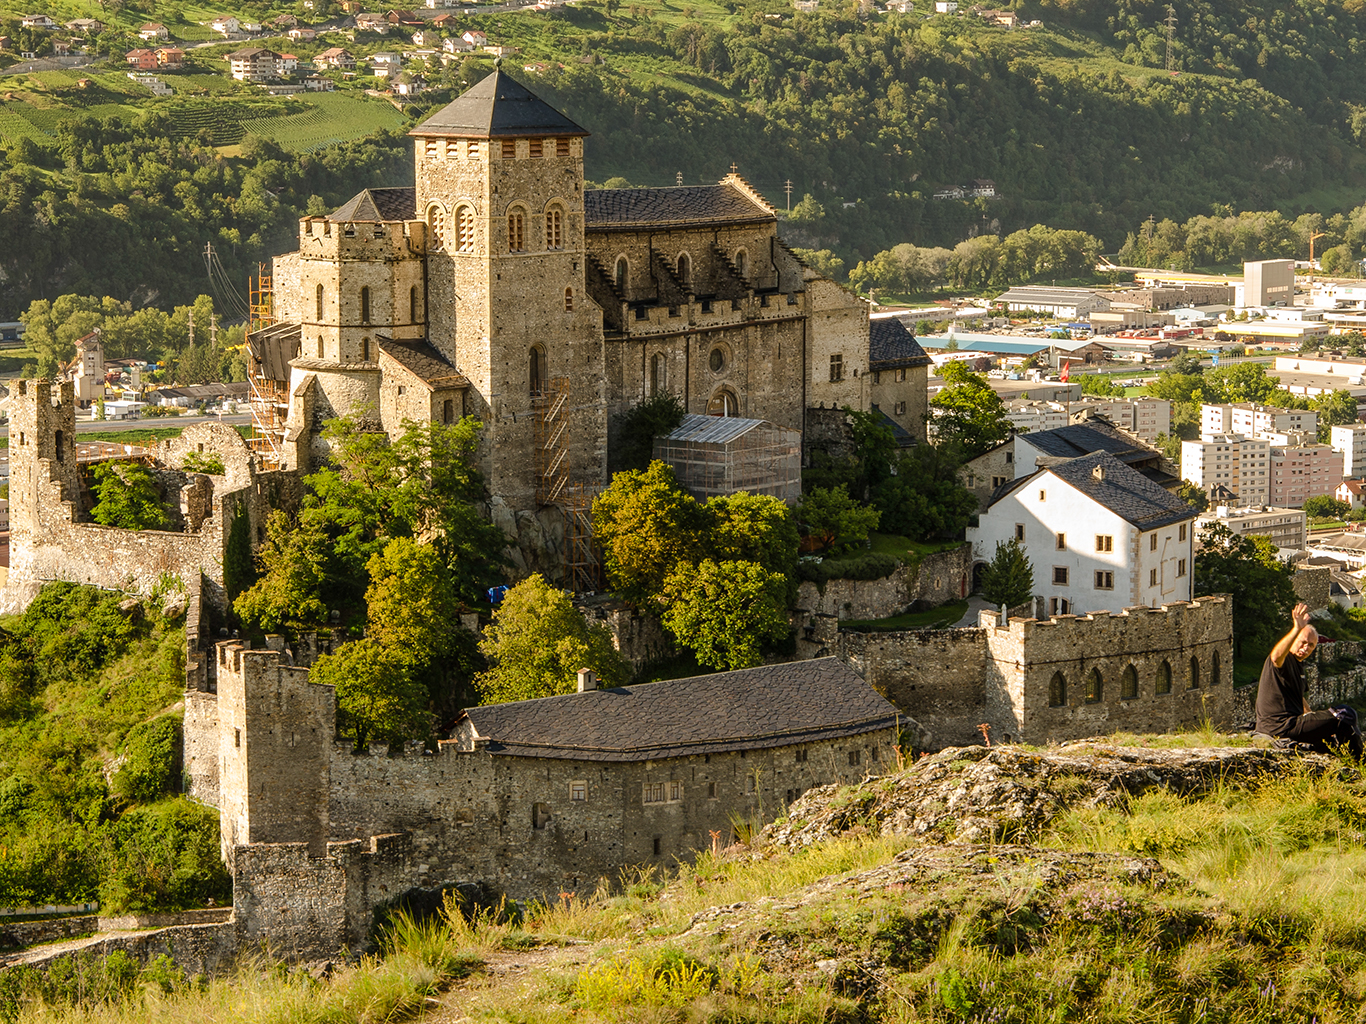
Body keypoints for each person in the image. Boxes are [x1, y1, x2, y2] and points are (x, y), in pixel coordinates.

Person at [1255, 602, 1362, 758]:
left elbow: (1300, 698)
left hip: (1293, 723)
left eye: (1311, 646)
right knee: (1345, 713)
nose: (1305, 648)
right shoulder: (1284, 660)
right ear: (1294, 640)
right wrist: (1296, 629)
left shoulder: (1299, 665)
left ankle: (1351, 759)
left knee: (1331, 739)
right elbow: (1276, 656)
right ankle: (1360, 761)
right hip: (1280, 726)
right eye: (1303, 642)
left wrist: (1312, 717)